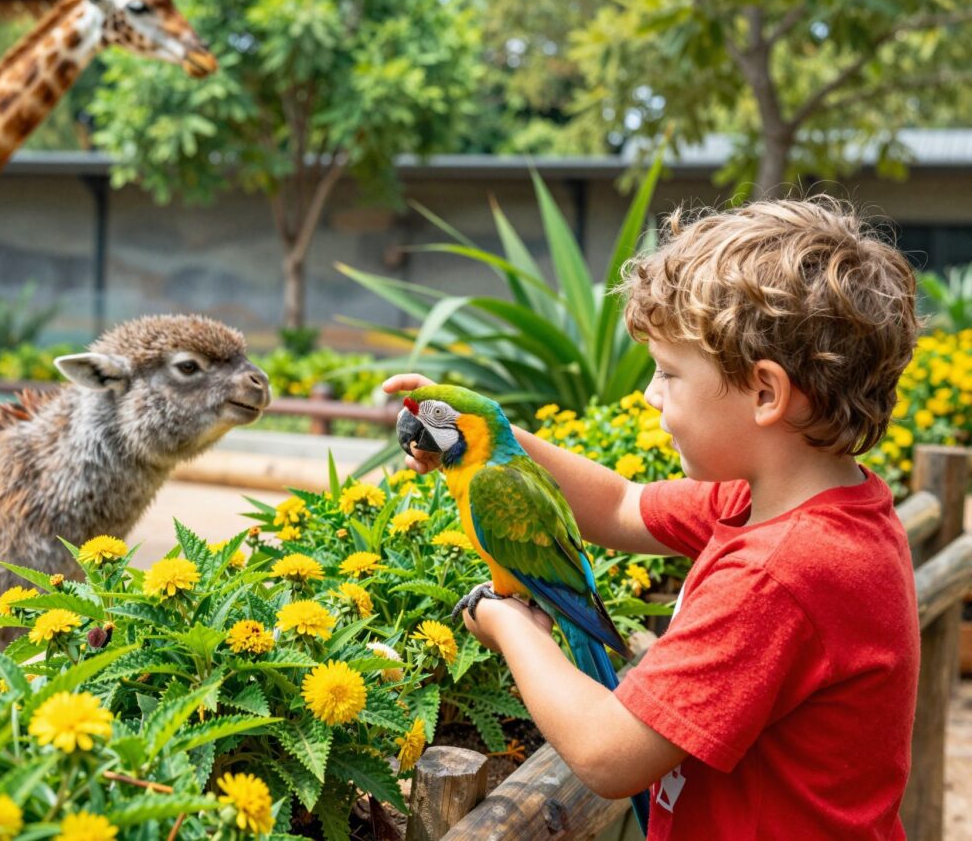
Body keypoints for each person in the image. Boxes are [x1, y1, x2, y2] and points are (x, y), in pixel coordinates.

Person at [384, 197, 920, 840]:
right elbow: (620, 505)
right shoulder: (771, 504)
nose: (650, 394)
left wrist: (506, 621)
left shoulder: (777, 576)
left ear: (766, 392)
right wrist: (476, 429)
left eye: (668, 373)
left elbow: (608, 753)